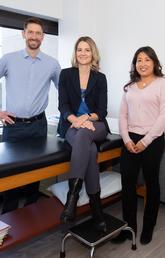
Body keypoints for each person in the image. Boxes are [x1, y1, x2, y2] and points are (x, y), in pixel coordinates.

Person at [0, 17, 61, 214]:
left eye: (38, 33)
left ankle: (30, 214)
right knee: (10, 178)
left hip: (38, 126)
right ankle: (8, 219)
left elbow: (65, 91)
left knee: (34, 176)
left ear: (43, 37)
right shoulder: (8, 59)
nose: (34, 36)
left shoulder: (52, 64)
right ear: (24, 34)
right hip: (13, 126)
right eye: (31, 32)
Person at [111, 46, 165, 245]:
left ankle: (148, 226)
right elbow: (123, 115)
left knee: (151, 183)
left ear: (154, 62)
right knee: (127, 183)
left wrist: (145, 141)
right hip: (130, 139)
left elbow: (163, 117)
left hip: (153, 138)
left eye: (147, 59)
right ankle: (128, 227)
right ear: (135, 64)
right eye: (139, 60)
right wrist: (126, 139)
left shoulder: (162, 84)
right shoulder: (130, 87)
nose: (142, 63)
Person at [57, 36, 109, 232]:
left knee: (85, 135)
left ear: (93, 53)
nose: (83, 53)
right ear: (75, 52)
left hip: (96, 124)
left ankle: (73, 196)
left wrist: (86, 118)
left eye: (87, 50)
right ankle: (97, 210)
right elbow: (62, 105)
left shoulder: (100, 77)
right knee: (89, 149)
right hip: (72, 126)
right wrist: (76, 121)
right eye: (79, 49)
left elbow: (102, 110)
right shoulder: (66, 74)